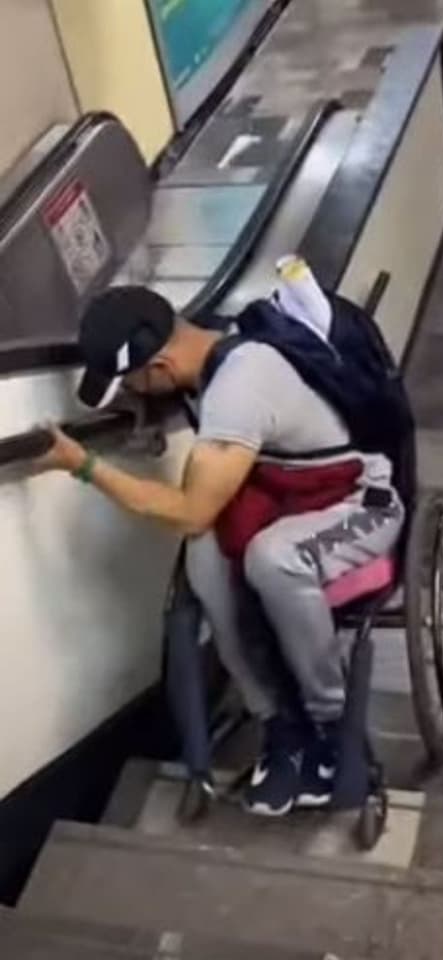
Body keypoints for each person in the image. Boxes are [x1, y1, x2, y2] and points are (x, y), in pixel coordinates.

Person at [34, 284, 405, 816]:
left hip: (362, 506)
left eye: (132, 383)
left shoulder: (239, 384)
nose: (133, 392)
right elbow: (200, 520)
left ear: (160, 365)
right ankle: (281, 723)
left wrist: (84, 465)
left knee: (270, 556)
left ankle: (332, 725)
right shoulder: (207, 352)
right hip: (287, 498)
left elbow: (190, 508)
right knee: (205, 554)